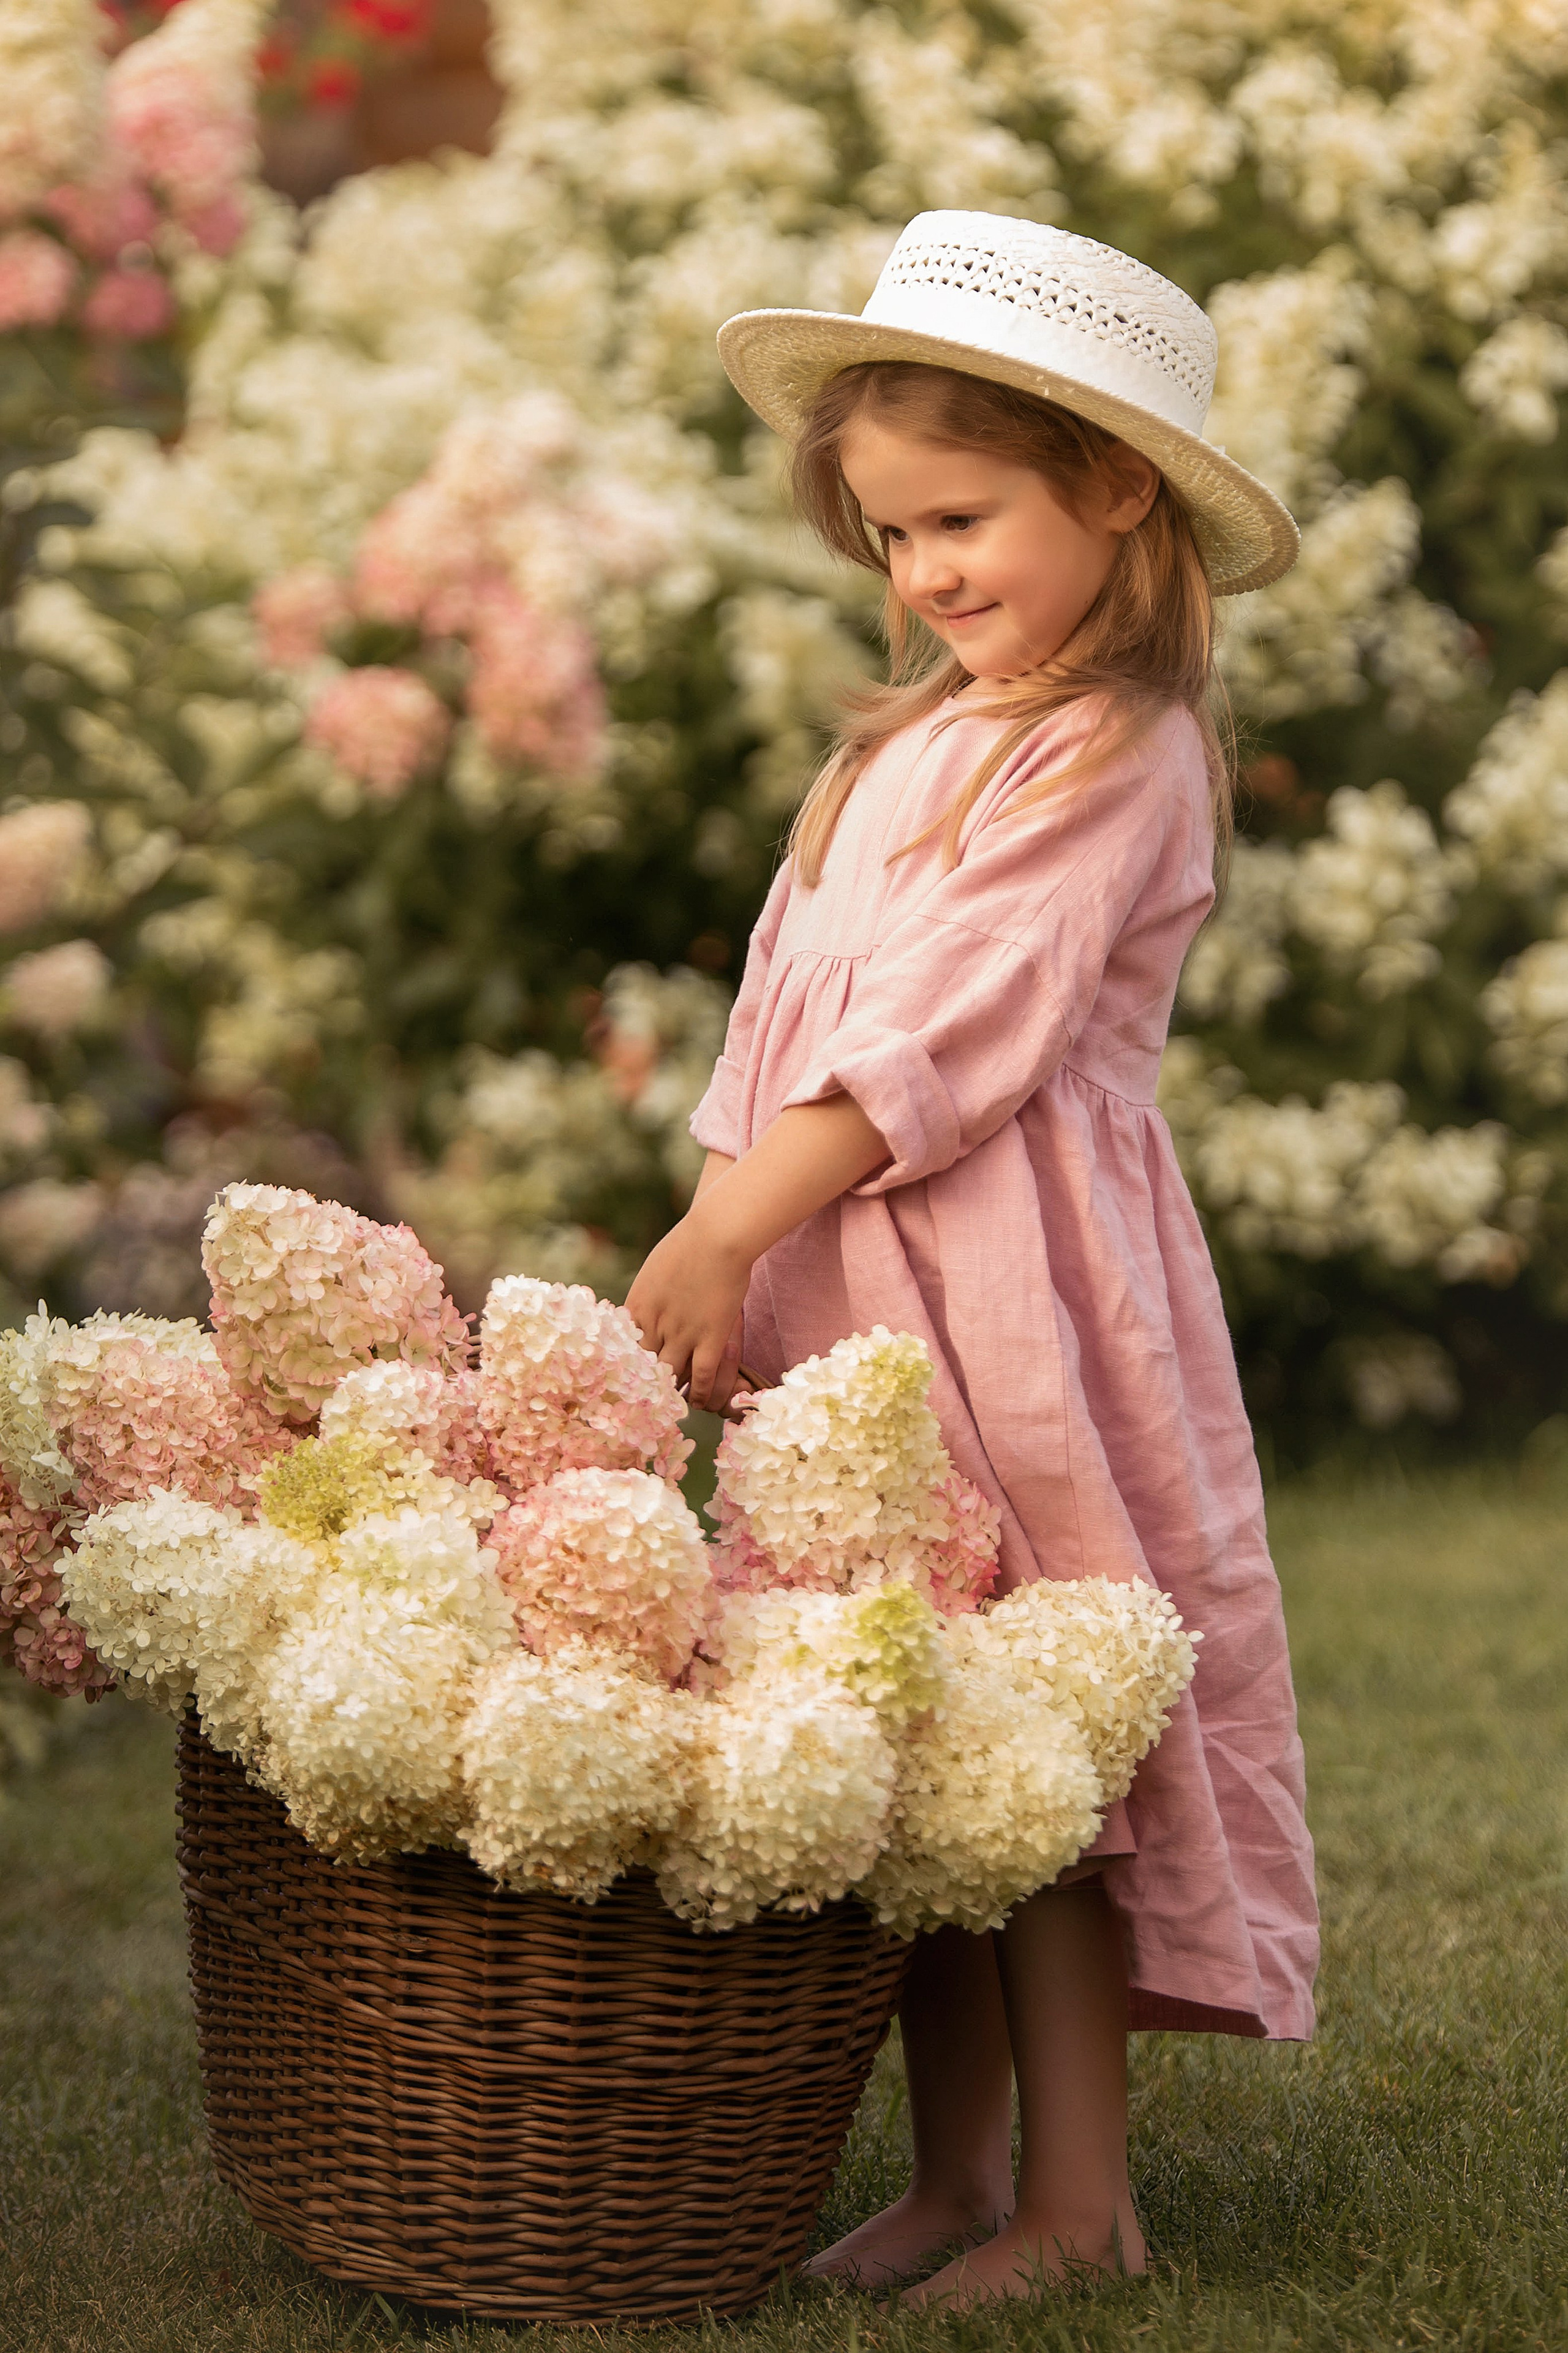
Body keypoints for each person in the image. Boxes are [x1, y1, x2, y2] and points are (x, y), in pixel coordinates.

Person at [626, 210, 1318, 2308]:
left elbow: (961, 1035)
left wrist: (737, 1209)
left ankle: (1084, 2205)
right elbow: (787, 1028)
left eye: (959, 517)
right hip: (856, 1308)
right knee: (904, 1744)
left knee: (1038, 1745)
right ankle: (957, 2173)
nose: (923, 571)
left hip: (1022, 1311)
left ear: (1112, 485)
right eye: (889, 534)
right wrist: (745, 1232)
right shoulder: (890, 748)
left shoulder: (1118, 754)